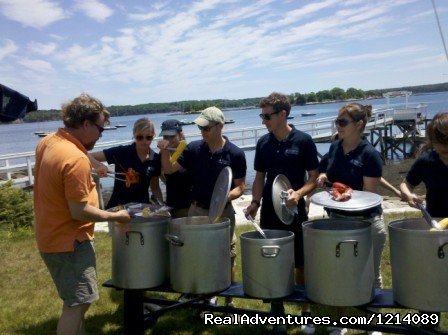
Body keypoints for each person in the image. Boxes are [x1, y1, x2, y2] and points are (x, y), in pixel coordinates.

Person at [34, 93, 131, 335]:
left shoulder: (49, 142)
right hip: (70, 241)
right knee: (78, 303)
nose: (101, 135)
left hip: (50, 235)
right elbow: (79, 211)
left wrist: (94, 166)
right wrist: (116, 216)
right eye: (100, 129)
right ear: (86, 124)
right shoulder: (74, 158)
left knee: (76, 299)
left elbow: (68, 165)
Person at [244, 92, 318, 334]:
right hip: (270, 213)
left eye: (267, 116)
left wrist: (299, 193)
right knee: (273, 259)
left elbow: (314, 178)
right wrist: (255, 202)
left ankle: (306, 313)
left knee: (301, 263)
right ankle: (278, 314)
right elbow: (259, 178)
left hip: (296, 212)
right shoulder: (263, 143)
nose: (263, 120)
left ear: (282, 114)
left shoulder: (304, 141)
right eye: (262, 115)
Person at [158, 106, 246, 307]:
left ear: (220, 126)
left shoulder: (236, 153)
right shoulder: (194, 149)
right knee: (197, 254)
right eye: (201, 128)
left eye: (207, 128)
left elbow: (240, 187)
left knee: (227, 255)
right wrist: (163, 150)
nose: (202, 132)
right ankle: (204, 294)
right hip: (196, 210)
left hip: (223, 213)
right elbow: (170, 169)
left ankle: (229, 300)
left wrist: (223, 197)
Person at [316, 103, 386, 335]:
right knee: (338, 273)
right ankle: (341, 322)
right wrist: (325, 175)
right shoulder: (335, 147)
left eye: (343, 122)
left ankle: (373, 324)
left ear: (359, 125)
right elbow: (325, 168)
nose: (338, 126)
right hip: (337, 220)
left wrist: (347, 193)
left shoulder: (370, 154)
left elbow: (371, 195)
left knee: (369, 275)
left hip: (366, 224)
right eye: (337, 122)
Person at [90, 117, 163, 209]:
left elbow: (155, 187)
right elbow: (86, 155)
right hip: (118, 207)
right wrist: (99, 166)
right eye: (140, 137)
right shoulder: (122, 152)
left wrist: (161, 206)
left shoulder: (155, 159)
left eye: (148, 137)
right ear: (134, 135)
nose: (144, 141)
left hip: (142, 209)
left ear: (153, 136)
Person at [401, 112, 448, 217]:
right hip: (435, 221)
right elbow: (407, 183)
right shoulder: (425, 162)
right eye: (440, 142)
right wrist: (408, 195)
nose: (445, 146)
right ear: (432, 141)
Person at [158, 119, 192, 218]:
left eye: (172, 136)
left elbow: (169, 170)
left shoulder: (188, 152)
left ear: (180, 135)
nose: (168, 140)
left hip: (188, 206)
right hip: (172, 204)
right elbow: (162, 173)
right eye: (165, 136)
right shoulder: (163, 153)